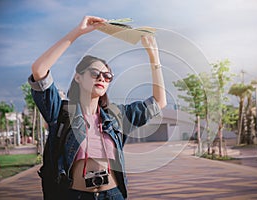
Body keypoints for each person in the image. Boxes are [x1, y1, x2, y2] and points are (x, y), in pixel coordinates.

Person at [28, 16, 166, 200]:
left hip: (113, 194)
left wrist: (153, 56)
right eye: (95, 73)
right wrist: (78, 32)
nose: (102, 78)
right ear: (78, 77)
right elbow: (39, 71)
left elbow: (159, 102)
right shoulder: (61, 113)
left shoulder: (116, 116)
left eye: (107, 76)